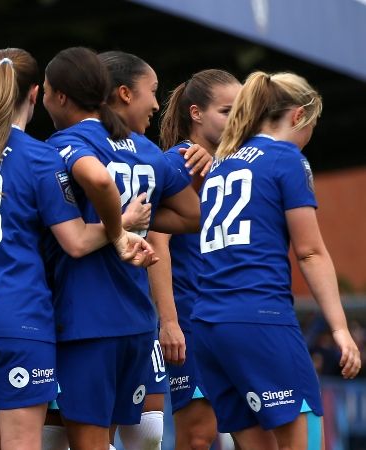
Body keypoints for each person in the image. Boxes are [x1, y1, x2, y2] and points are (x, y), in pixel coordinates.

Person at [0, 47, 153, 450]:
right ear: (36, 94)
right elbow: (74, 243)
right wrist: (121, 224)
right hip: (20, 320)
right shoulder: (41, 157)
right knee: (19, 443)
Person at [192, 71, 361, 449]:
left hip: (208, 325)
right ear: (299, 116)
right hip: (260, 318)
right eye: (312, 127)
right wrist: (340, 329)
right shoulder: (286, 158)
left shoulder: (224, 161)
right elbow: (310, 251)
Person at [42, 47, 199, 450]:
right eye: (154, 91)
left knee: (81, 441)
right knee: (131, 438)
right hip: (135, 320)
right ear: (125, 94)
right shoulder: (147, 151)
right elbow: (190, 216)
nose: (156, 103)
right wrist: (136, 220)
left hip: (84, 319)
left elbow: (97, 181)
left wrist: (116, 228)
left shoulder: (65, 143)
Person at [149, 69, 241, 450]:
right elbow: (158, 241)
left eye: (241, 111)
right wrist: (169, 322)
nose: (236, 120)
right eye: (226, 111)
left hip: (234, 315)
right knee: (199, 436)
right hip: (192, 317)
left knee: (252, 432)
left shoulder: (237, 164)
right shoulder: (178, 163)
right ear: (196, 113)